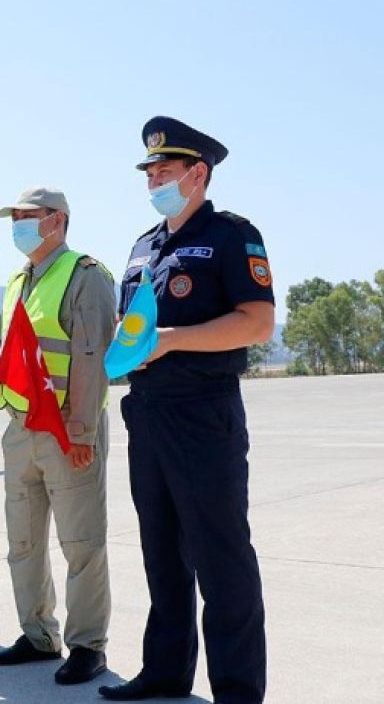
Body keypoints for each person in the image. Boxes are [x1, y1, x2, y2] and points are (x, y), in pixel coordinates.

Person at [99, 117, 272, 703]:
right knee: (162, 552)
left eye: (164, 171)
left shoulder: (231, 235)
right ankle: (166, 672)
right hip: (146, 412)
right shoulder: (143, 245)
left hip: (203, 413)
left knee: (220, 556)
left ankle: (237, 689)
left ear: (197, 174)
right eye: (148, 172)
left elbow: (256, 322)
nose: (153, 181)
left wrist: (170, 339)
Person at [0, 188, 116, 684]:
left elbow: (90, 358)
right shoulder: (18, 280)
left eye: (26, 217)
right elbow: (7, 347)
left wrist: (80, 432)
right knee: (23, 540)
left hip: (67, 429)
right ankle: (39, 635)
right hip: (20, 429)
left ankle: (87, 645)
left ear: (56, 221)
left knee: (81, 543)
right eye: (14, 217)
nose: (18, 224)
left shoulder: (86, 276)